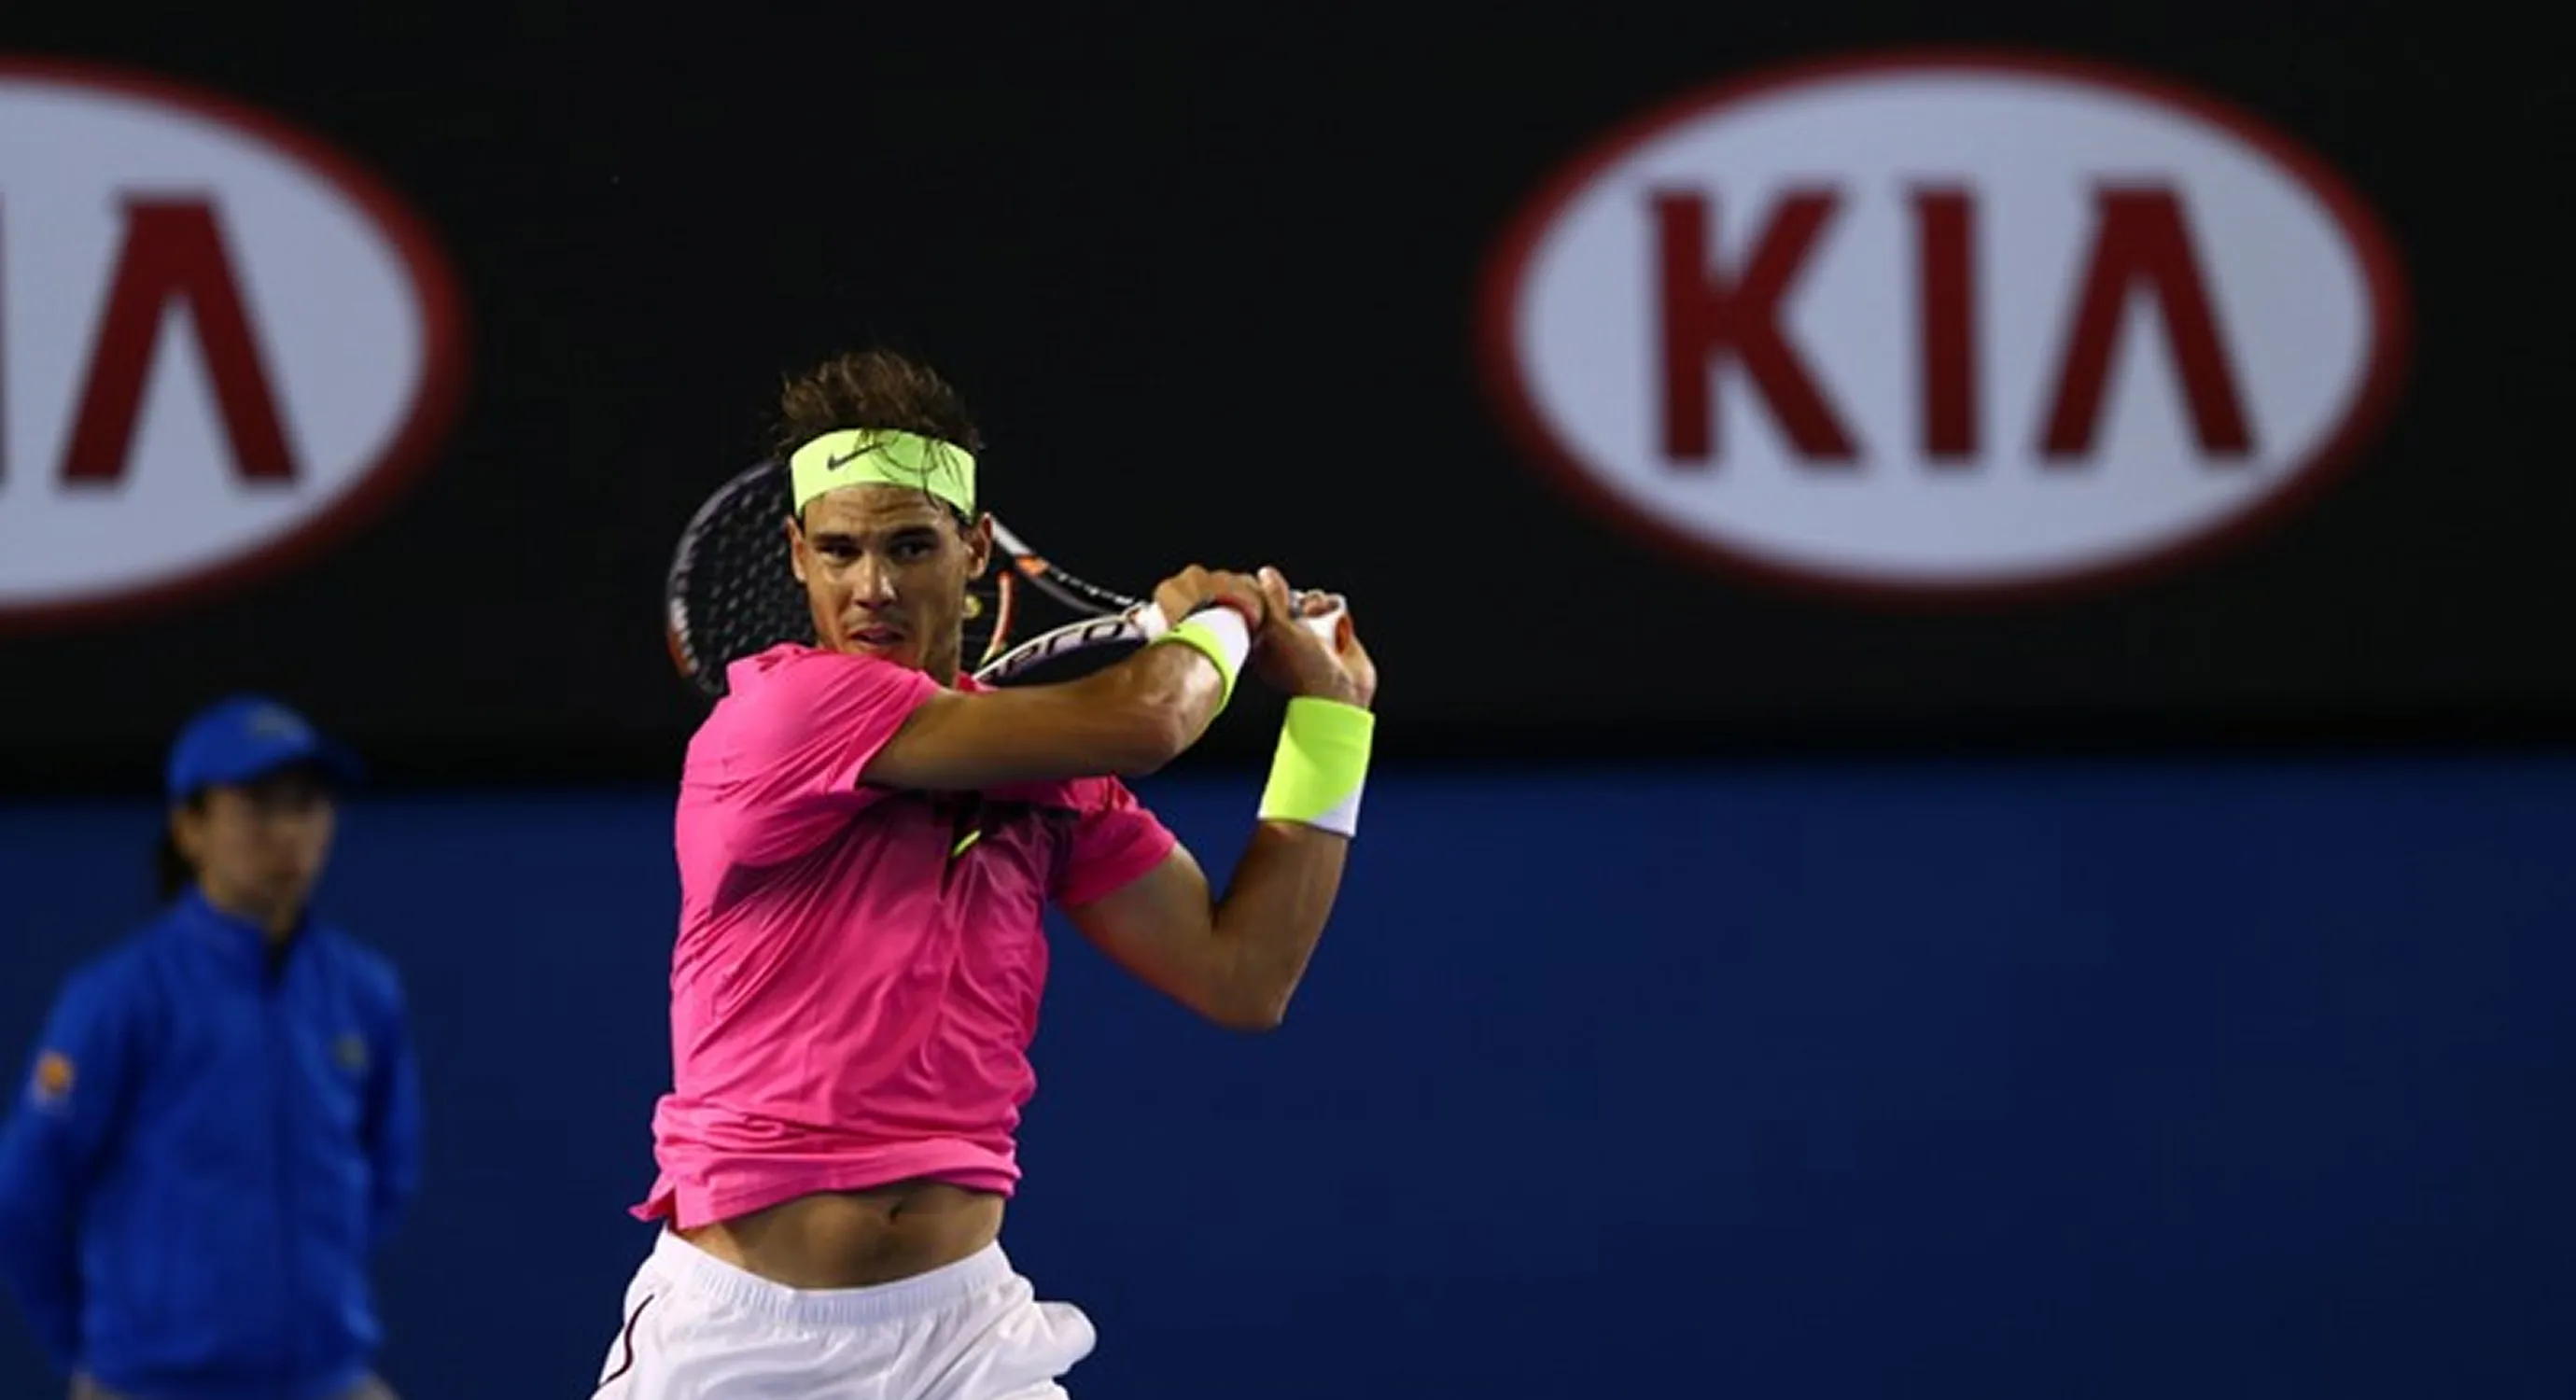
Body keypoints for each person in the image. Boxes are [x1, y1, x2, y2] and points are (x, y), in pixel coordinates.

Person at [594, 347, 1378, 1399]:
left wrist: (1332, 720)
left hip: (964, 1339)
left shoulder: (1053, 778)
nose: (872, 587)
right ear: (797, 557)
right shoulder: (783, 713)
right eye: (840, 551)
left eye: (911, 547)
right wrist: (1222, 620)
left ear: (972, 550)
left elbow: (1244, 975)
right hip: (741, 1340)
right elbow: (1153, 717)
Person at [0, 696, 425, 1400]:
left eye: (307, 804)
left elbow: (386, 1175)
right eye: (257, 806)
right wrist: (98, 1355)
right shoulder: (119, 996)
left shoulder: (364, 992)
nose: (288, 832)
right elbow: (25, 1192)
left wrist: (309, 1298)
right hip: (150, 1384)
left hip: (325, 1378)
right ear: (189, 827)